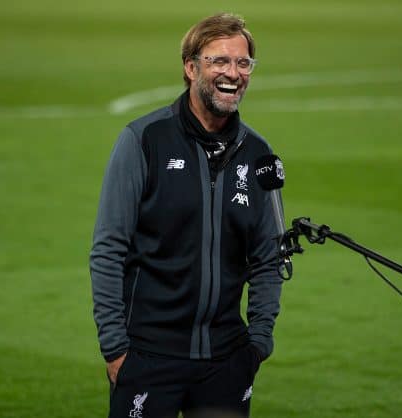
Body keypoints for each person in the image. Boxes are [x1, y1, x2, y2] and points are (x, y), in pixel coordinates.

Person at [90, 12, 286, 418]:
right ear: (190, 67)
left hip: (227, 360)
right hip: (148, 356)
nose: (233, 73)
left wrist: (259, 343)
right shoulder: (143, 141)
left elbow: (270, 255)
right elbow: (108, 249)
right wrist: (115, 348)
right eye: (219, 61)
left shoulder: (259, 154)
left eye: (243, 63)